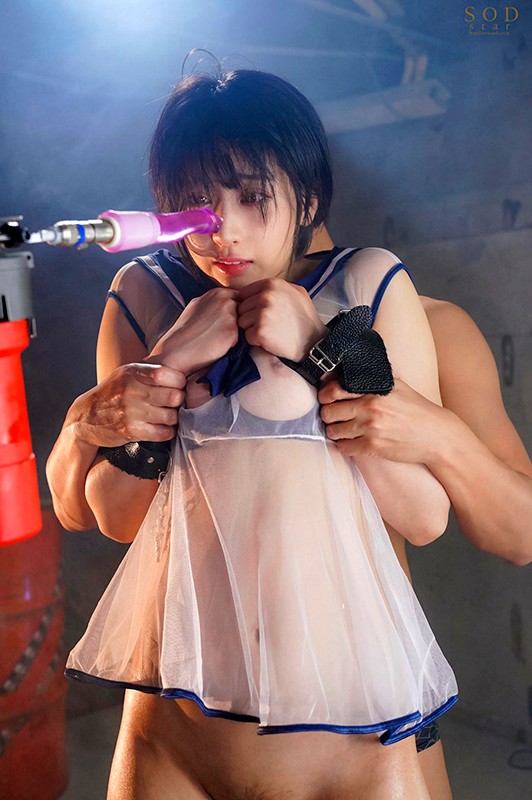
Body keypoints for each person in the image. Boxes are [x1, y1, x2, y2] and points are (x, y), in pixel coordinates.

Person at [47, 68, 460, 799]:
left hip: (348, 741)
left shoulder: (366, 283)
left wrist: (321, 349)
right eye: (197, 204)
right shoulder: (145, 293)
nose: (223, 230)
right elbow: (115, 518)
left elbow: (425, 517)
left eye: (251, 197)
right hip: (173, 734)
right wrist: (170, 359)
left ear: (308, 197)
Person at [310, 224, 532, 800]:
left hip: (371, 694)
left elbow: (522, 534)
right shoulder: (180, 322)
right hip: (202, 701)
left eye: (253, 194)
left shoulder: (435, 327)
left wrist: (440, 436)